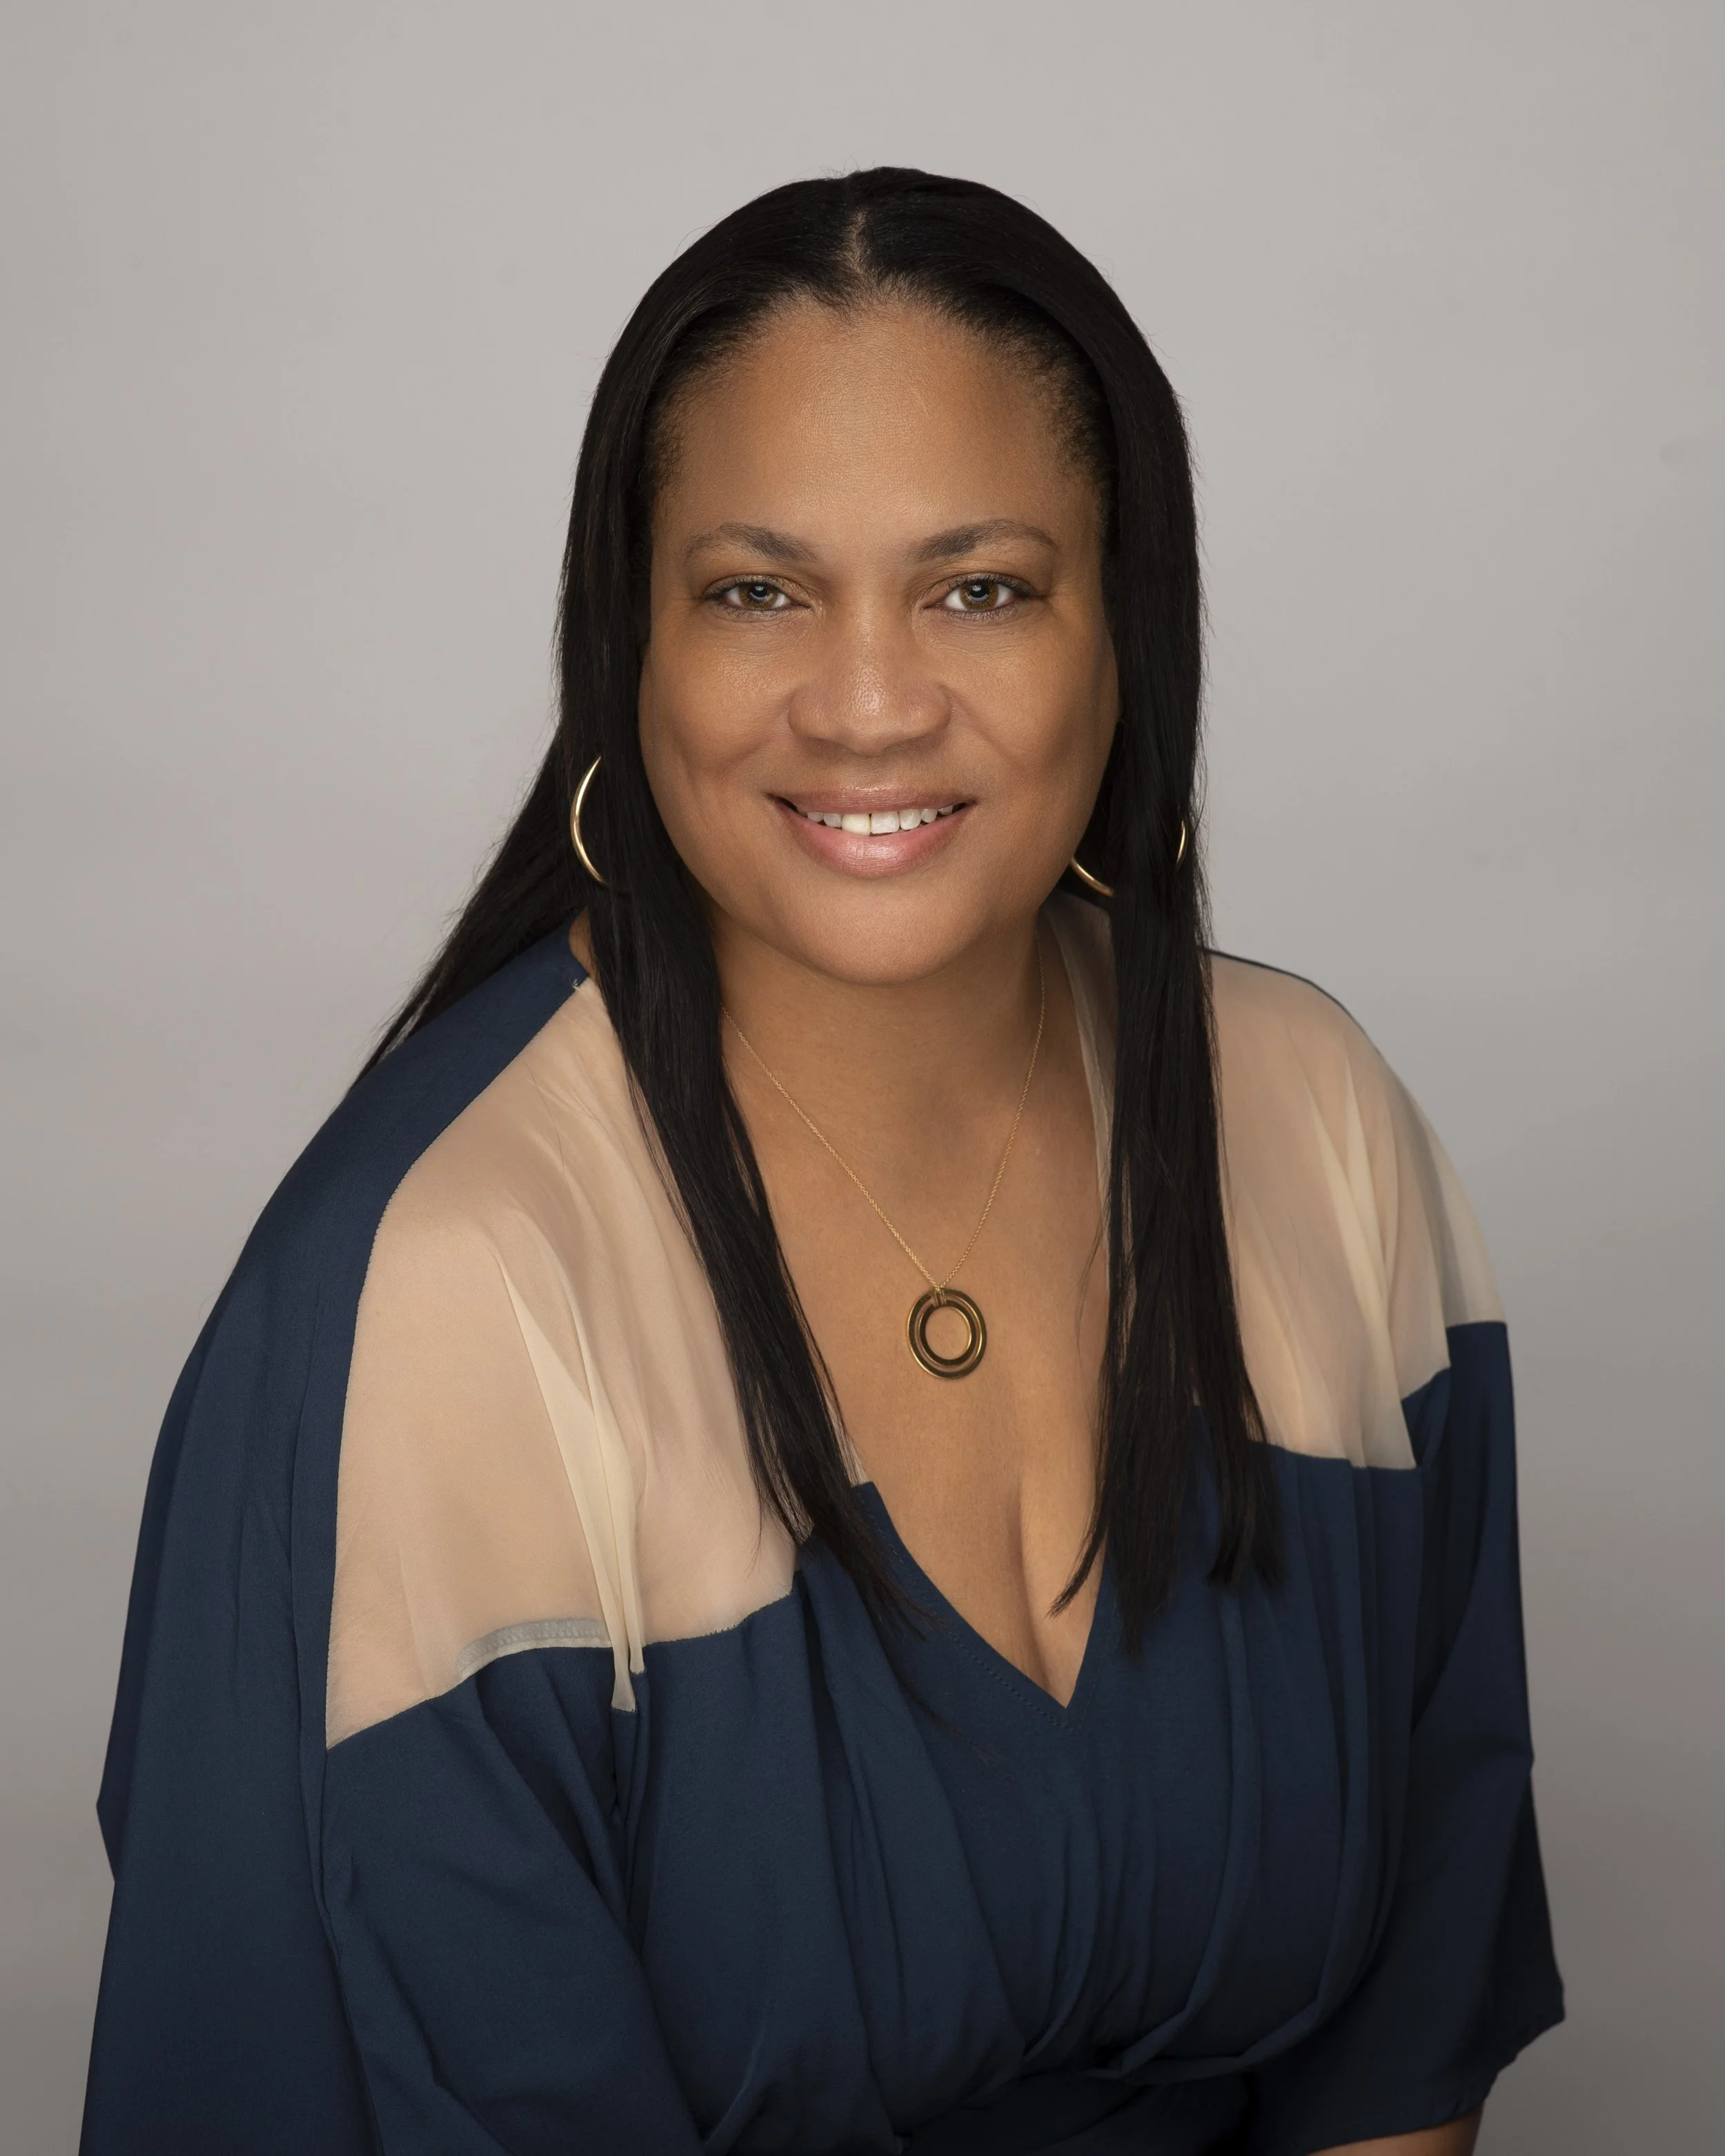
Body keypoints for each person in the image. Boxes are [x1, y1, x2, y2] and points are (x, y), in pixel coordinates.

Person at [81, 168, 1562, 2155]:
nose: (867, 703)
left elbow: (1399, 2047)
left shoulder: (1312, 1123)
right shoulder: (452, 1283)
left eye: (980, 586)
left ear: (1125, 631)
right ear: (631, 646)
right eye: (759, 589)